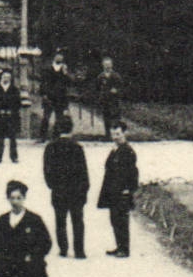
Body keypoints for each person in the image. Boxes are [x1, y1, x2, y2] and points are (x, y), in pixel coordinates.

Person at [42, 119, 90, 259]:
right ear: (71, 130)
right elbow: (83, 171)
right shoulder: (77, 148)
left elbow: (47, 170)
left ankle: (63, 249)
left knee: (60, 220)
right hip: (76, 191)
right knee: (78, 221)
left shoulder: (50, 147)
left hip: (59, 190)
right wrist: (84, 189)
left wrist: (52, 185)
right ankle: (79, 251)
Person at [98, 124, 139, 257]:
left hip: (122, 192)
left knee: (122, 220)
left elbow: (133, 173)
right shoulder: (116, 149)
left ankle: (124, 249)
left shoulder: (127, 151)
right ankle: (119, 246)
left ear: (124, 133)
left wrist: (129, 189)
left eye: (118, 134)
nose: (115, 137)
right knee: (114, 220)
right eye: (113, 134)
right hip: (112, 191)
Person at [0, 69, 24, 164]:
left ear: (10, 79)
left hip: (11, 116)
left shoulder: (14, 90)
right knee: (0, 137)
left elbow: (18, 103)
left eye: (8, 77)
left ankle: (14, 157)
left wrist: (12, 111)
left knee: (13, 137)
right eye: (4, 77)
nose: (6, 79)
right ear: (1, 77)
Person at [38, 53, 72, 138]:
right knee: (46, 117)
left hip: (61, 97)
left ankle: (56, 137)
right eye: (58, 56)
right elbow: (43, 82)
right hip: (49, 97)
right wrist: (44, 94)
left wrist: (65, 73)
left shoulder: (64, 69)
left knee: (59, 118)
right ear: (54, 57)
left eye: (61, 56)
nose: (59, 58)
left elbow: (69, 83)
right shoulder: (48, 68)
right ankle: (42, 136)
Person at [94, 56, 123, 139]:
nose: (107, 66)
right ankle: (107, 135)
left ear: (112, 65)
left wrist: (116, 90)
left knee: (115, 118)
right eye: (106, 64)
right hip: (105, 100)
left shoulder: (116, 76)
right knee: (106, 117)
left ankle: (116, 135)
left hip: (114, 101)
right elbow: (97, 89)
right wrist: (99, 97)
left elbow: (121, 88)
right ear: (103, 65)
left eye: (109, 64)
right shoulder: (100, 77)